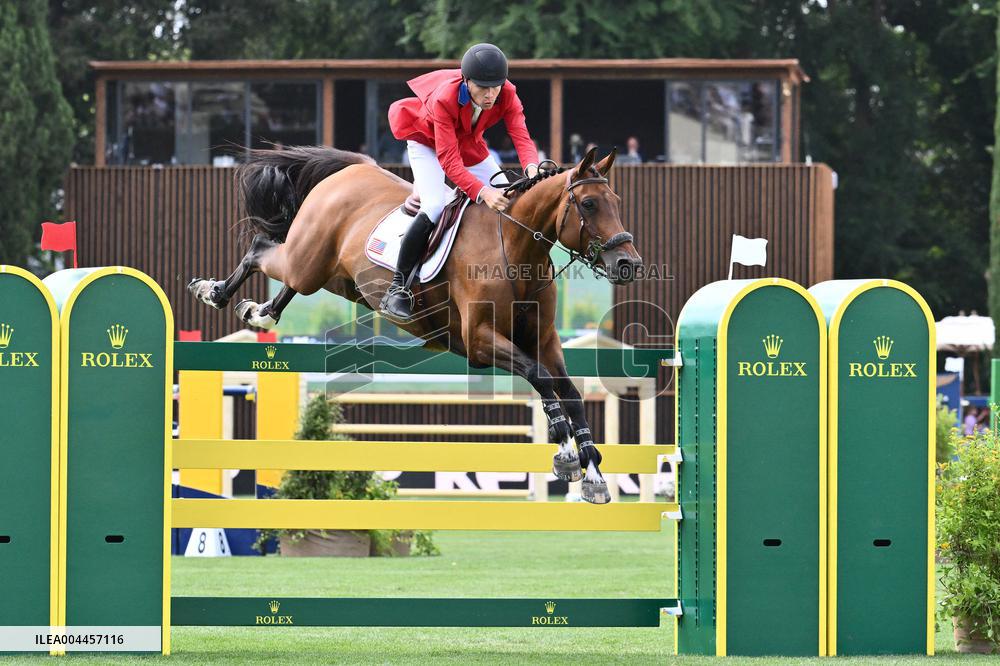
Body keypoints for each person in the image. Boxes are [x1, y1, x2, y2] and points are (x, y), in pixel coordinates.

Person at [383, 43, 540, 321]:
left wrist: (531, 167)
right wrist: (481, 192)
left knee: (507, 198)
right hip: (428, 143)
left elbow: (521, 135)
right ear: (466, 81)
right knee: (433, 206)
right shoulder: (445, 97)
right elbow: (448, 161)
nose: (491, 95)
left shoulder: (508, 93)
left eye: (496, 87)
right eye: (483, 87)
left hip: (469, 145)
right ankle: (398, 287)